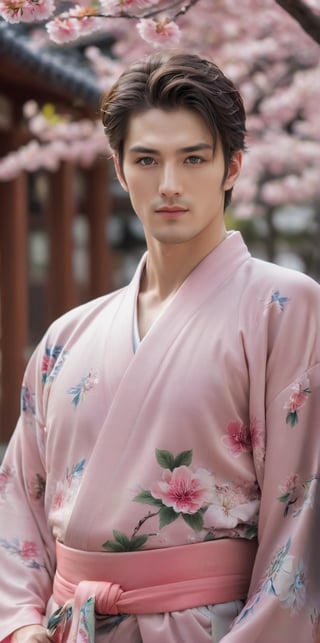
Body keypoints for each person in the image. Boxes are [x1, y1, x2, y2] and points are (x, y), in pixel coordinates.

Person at [0, 51, 319, 643]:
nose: (169, 184)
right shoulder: (66, 338)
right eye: (147, 159)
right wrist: (20, 625)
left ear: (232, 167)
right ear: (120, 169)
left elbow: (304, 517)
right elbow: (16, 497)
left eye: (193, 158)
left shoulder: (289, 310)